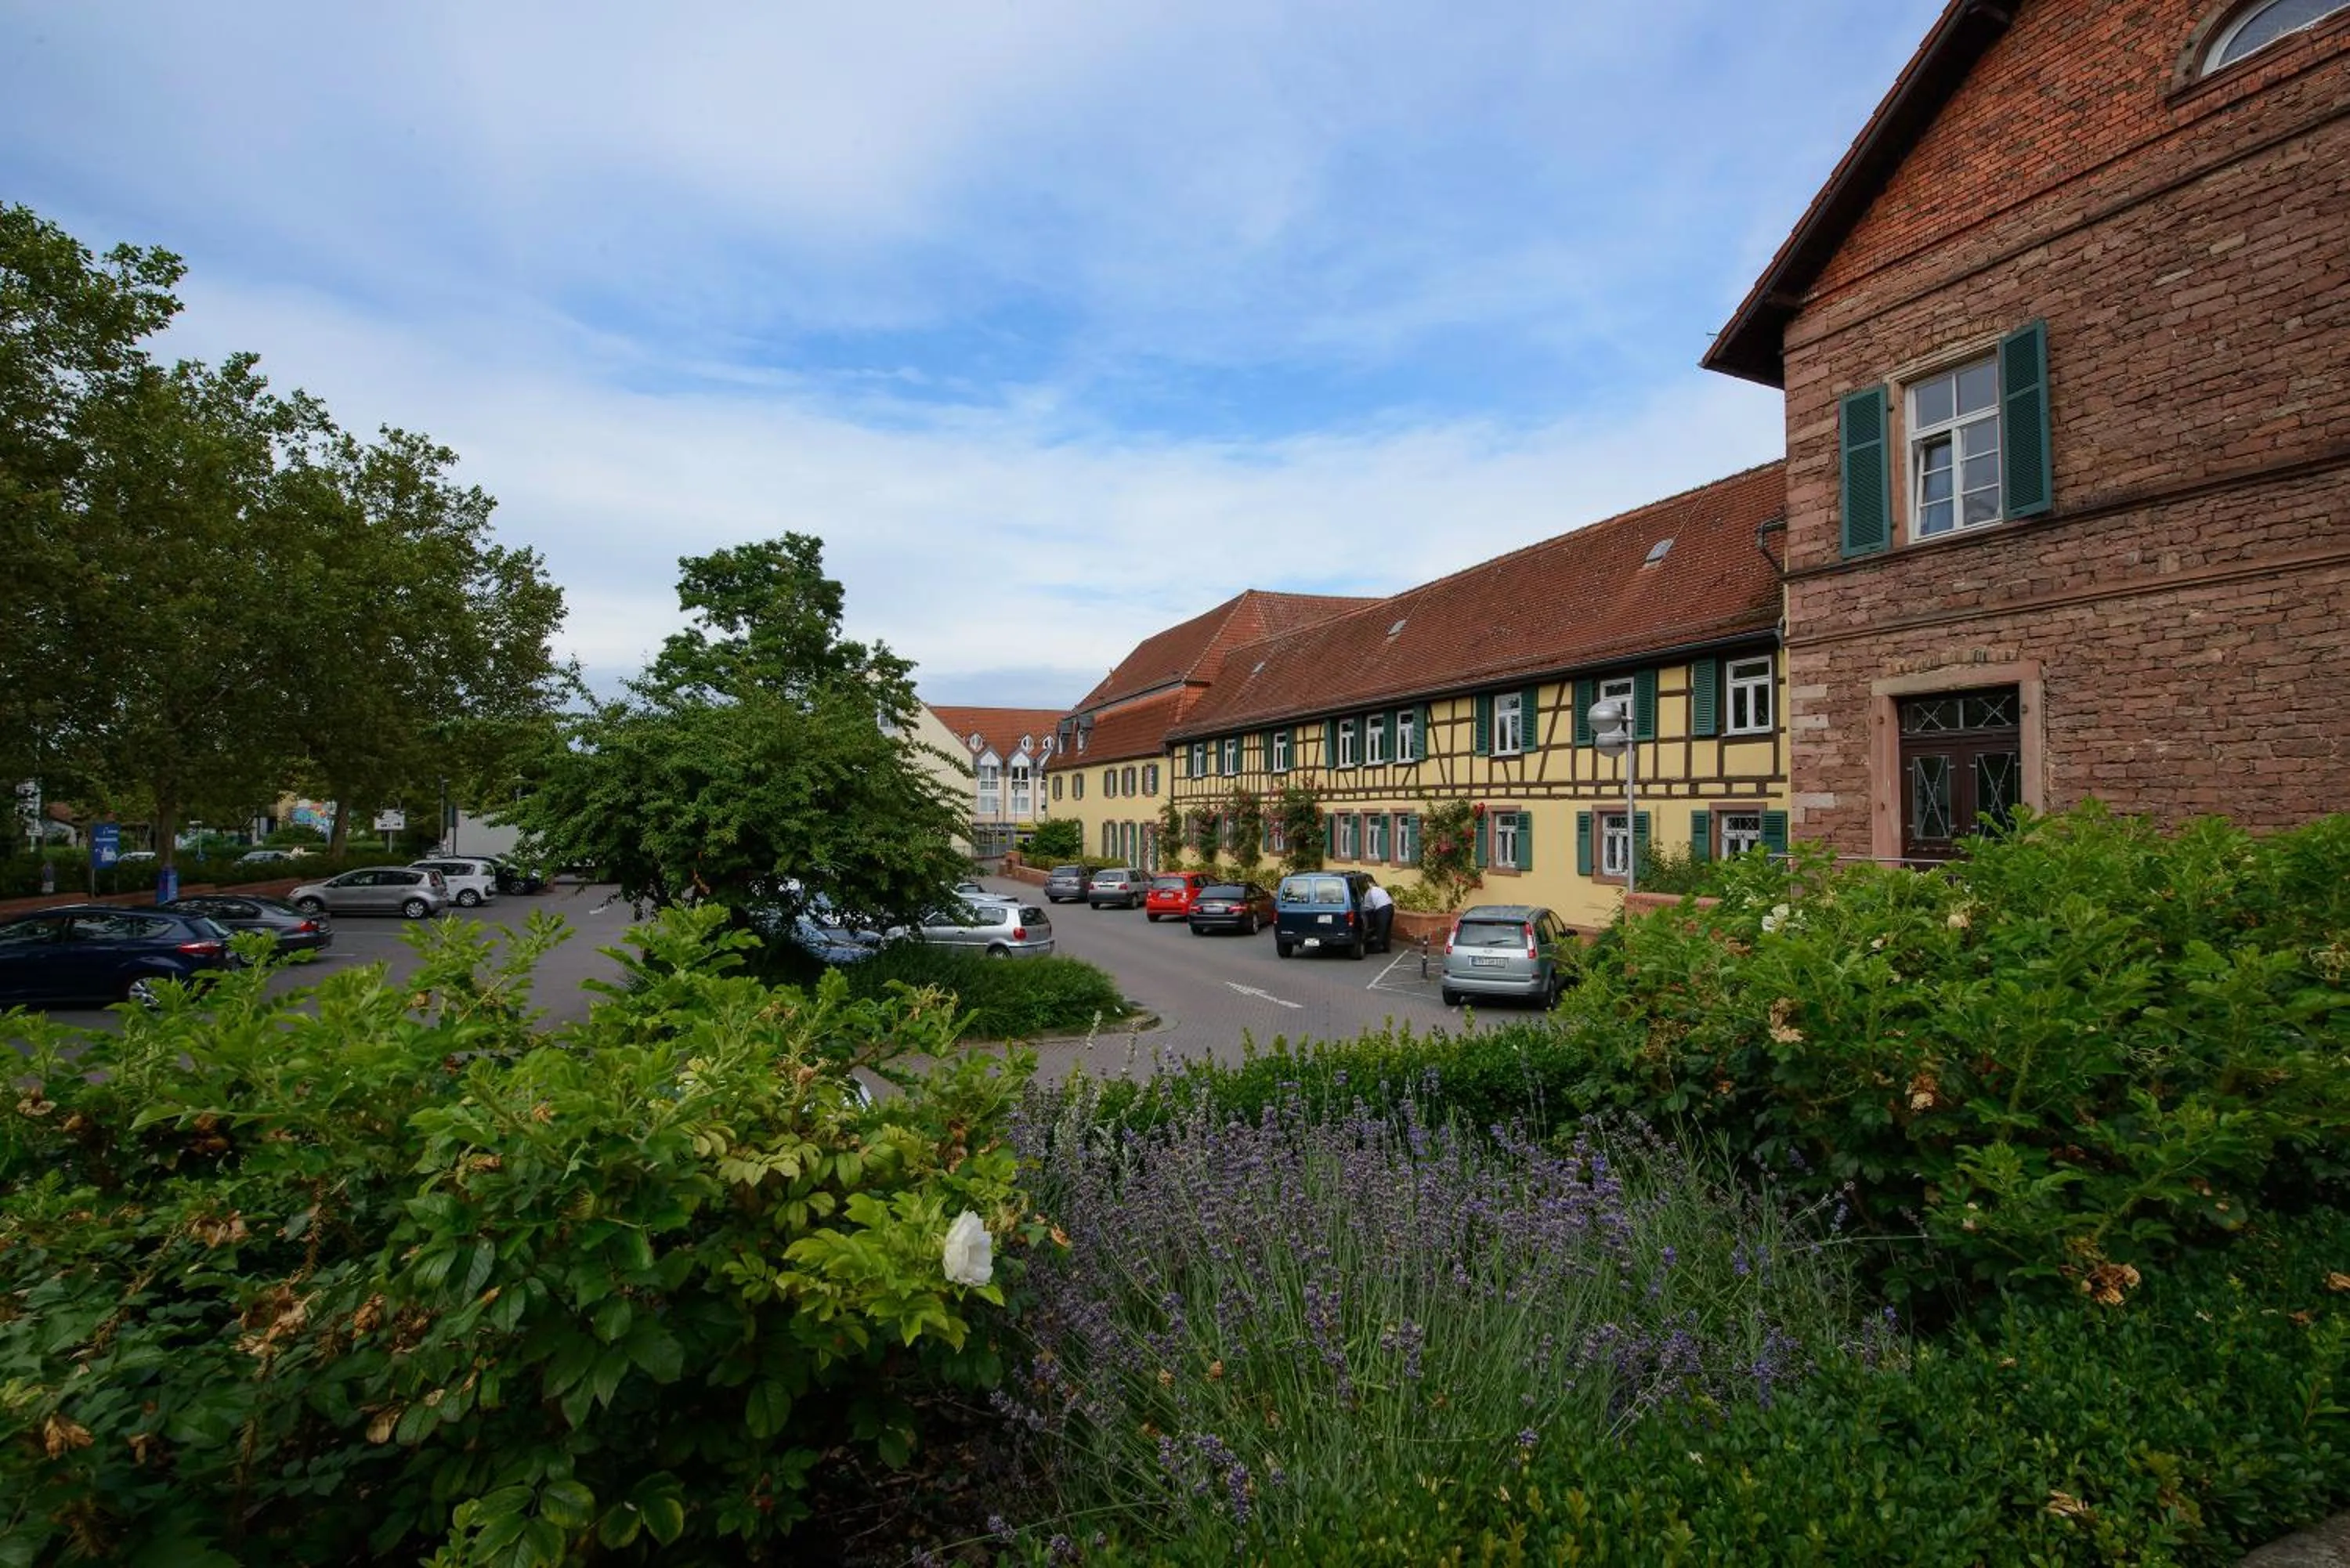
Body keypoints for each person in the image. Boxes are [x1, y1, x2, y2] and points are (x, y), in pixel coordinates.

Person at [1361, 878, 1394, 949]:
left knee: (1380, 929)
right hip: (1390, 907)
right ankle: (1387, 947)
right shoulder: (1380, 889)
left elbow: (1368, 908)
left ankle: (1376, 948)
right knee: (1387, 929)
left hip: (1382, 909)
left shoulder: (1368, 893)